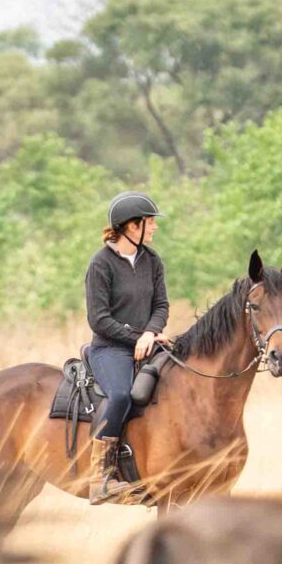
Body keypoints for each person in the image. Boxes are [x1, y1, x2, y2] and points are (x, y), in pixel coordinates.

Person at [84, 190, 169, 501]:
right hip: (110, 349)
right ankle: (100, 478)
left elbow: (161, 305)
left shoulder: (152, 260)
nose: (155, 227)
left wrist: (150, 333)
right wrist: (137, 338)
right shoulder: (100, 264)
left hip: (148, 343)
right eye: (150, 222)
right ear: (133, 226)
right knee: (121, 395)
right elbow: (99, 319)